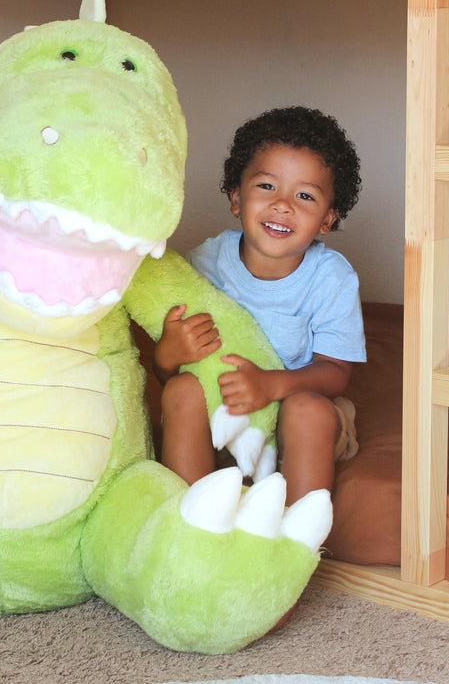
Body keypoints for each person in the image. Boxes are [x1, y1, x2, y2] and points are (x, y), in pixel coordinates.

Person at [155, 106, 366, 505]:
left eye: (305, 196)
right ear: (236, 198)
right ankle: (190, 535)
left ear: (327, 219)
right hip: (227, 418)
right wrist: (167, 358)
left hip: (295, 411)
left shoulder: (332, 277)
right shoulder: (205, 264)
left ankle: (294, 543)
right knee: (182, 390)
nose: (283, 204)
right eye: (267, 187)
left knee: (309, 412)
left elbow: (336, 373)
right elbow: (180, 371)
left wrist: (272, 386)